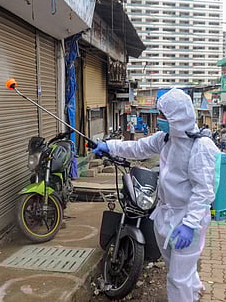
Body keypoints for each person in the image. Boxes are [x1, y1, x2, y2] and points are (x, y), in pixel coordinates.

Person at [93, 88, 219, 301]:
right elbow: (138, 148)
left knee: (178, 279)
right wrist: (110, 146)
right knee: (175, 266)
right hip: (166, 214)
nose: (159, 119)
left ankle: (186, 294)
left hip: (188, 219)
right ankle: (193, 288)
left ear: (177, 117)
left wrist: (190, 224)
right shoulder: (167, 139)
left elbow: (204, 191)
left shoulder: (201, 147)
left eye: (163, 115)